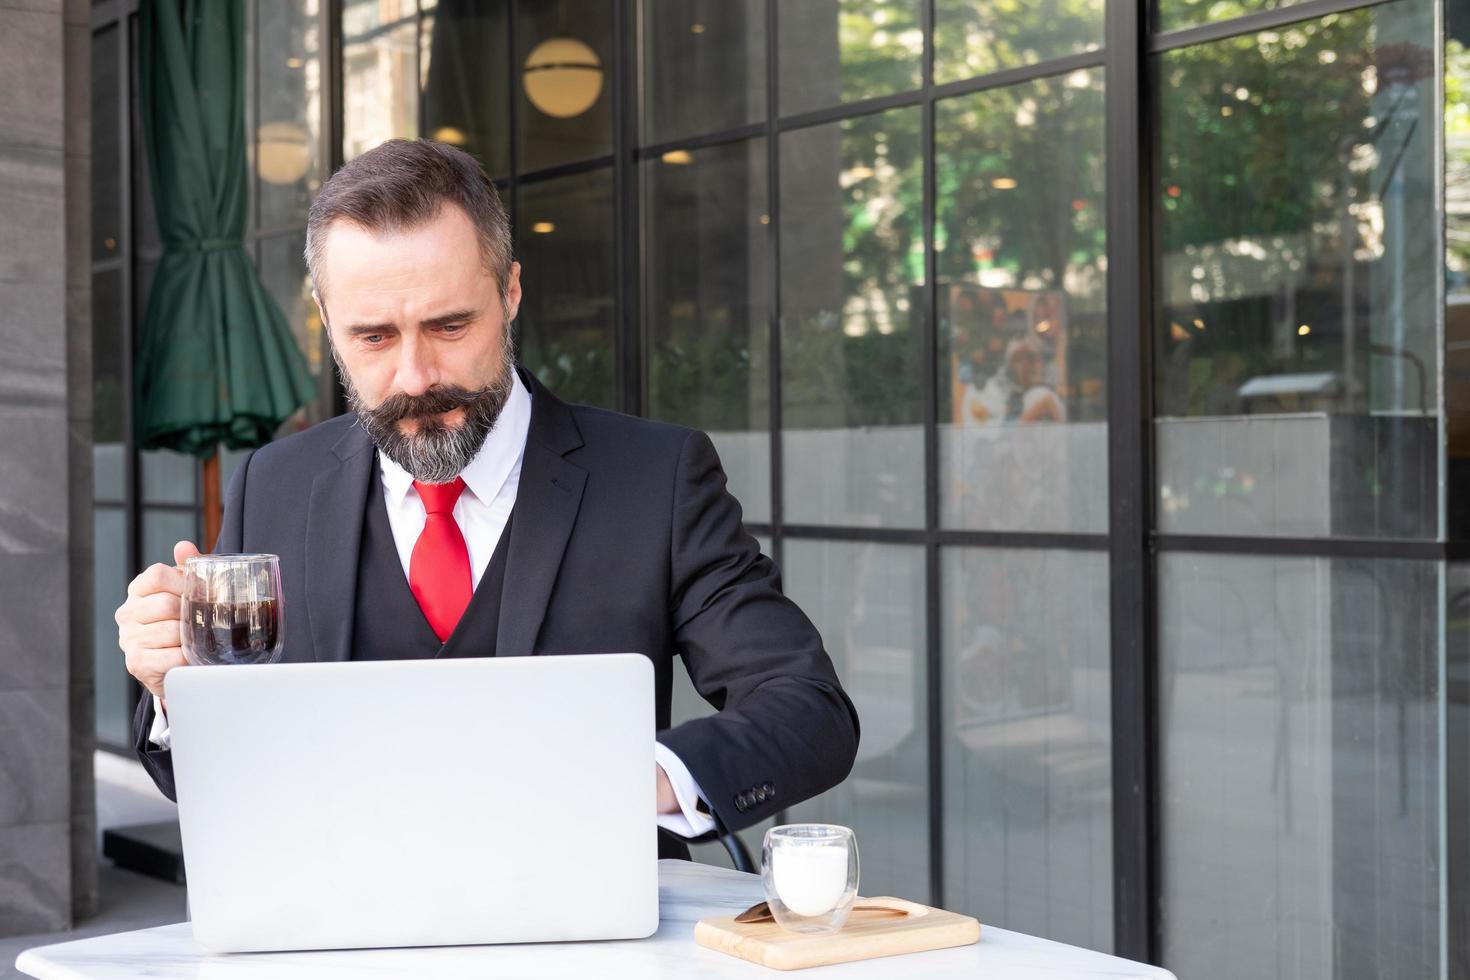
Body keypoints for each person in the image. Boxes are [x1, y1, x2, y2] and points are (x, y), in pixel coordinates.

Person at [113, 139, 860, 859]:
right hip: (339, 934)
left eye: (448, 325)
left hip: (591, 936)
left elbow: (807, 709)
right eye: (373, 337)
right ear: (325, 321)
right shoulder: (271, 481)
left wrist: (649, 780)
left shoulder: (658, 478)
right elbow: (213, 774)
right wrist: (177, 693)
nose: (414, 376)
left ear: (509, 292)